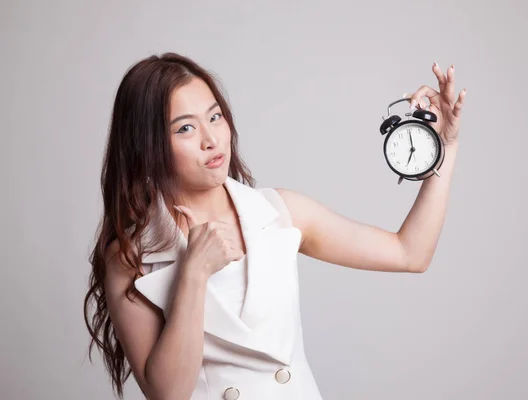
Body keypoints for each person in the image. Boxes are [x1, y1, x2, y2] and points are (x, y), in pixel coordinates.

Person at [84, 52, 466, 400]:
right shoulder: (132, 257)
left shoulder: (279, 211)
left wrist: (444, 147)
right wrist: (194, 273)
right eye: (185, 129)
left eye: (215, 117)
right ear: (147, 146)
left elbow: (410, 253)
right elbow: (168, 394)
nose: (211, 139)